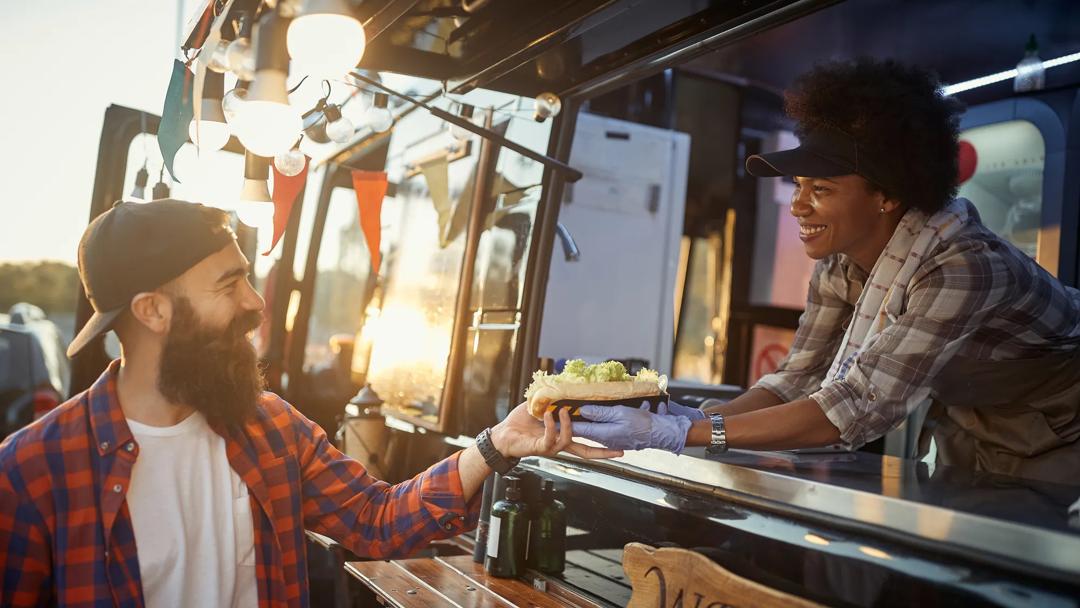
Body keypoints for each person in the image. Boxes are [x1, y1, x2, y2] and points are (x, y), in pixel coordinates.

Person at [0, 200, 619, 607]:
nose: (254, 303)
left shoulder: (268, 424)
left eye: (246, 276)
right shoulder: (33, 471)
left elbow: (377, 520)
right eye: (227, 284)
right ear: (152, 310)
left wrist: (494, 446)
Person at [573, 58, 1080, 483]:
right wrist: (697, 418)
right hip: (973, 423)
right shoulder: (839, 264)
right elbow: (798, 378)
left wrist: (689, 434)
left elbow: (858, 406)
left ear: (887, 194)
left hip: (1062, 430)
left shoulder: (963, 267)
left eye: (822, 190)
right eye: (797, 185)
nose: (798, 206)